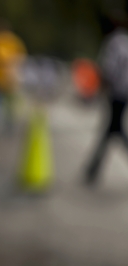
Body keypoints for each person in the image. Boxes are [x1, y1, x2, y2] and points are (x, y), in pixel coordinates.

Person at [85, 11, 128, 184]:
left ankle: (92, 169)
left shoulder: (112, 42)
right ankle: (92, 169)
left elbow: (107, 68)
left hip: (117, 91)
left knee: (113, 128)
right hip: (125, 91)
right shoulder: (124, 40)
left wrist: (100, 90)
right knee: (113, 128)